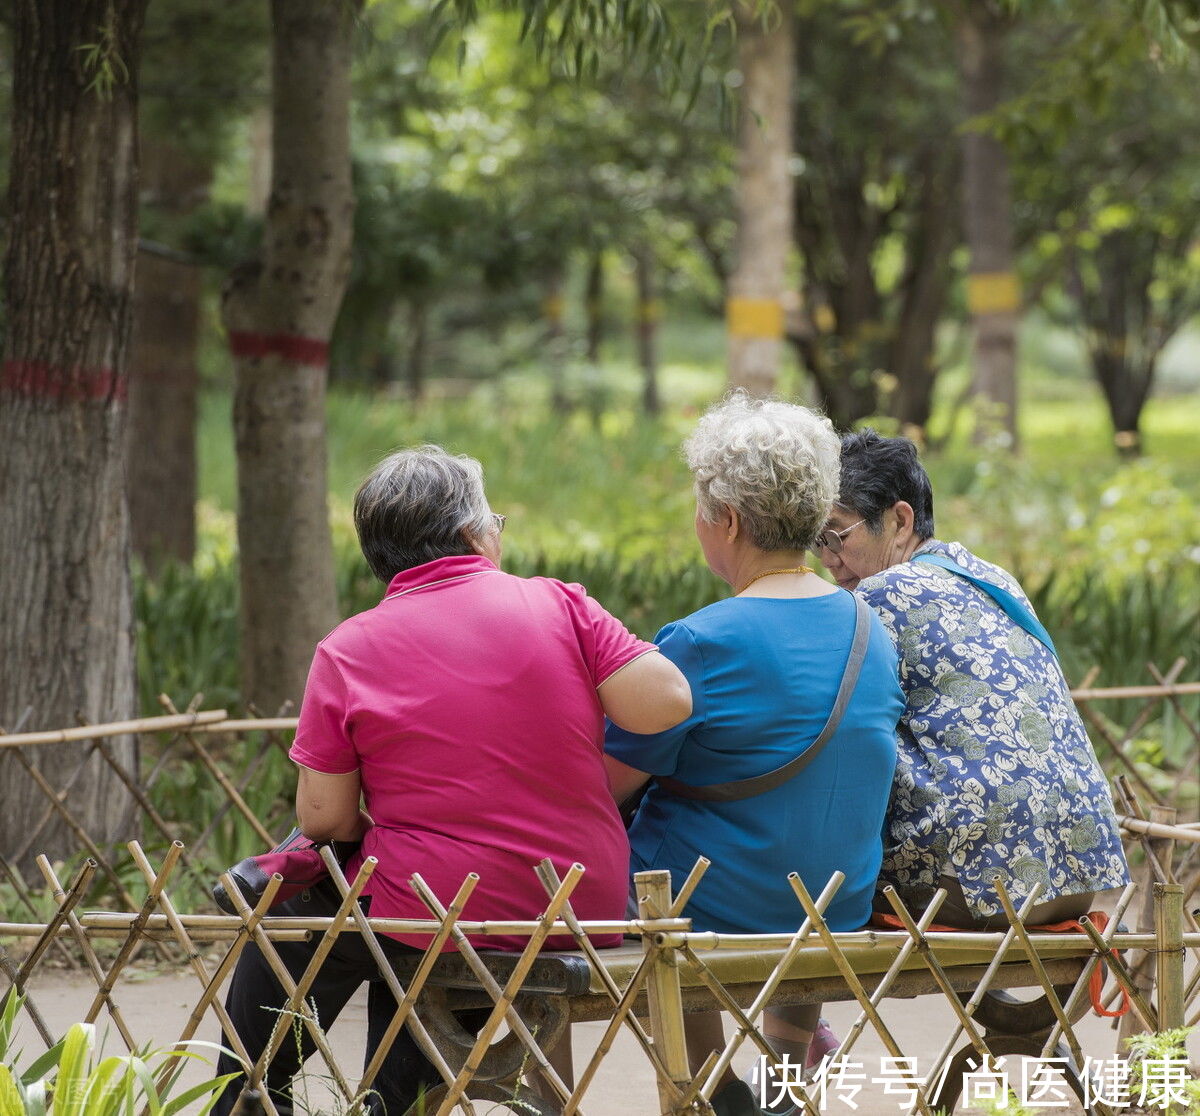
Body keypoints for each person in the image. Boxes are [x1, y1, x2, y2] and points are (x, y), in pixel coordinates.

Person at [213, 444, 692, 1116]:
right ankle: (397, 1098)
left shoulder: (349, 647)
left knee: (302, 913)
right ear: (472, 534)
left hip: (442, 906)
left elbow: (324, 820)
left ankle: (251, 1095)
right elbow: (667, 701)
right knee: (411, 924)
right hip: (581, 902)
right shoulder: (558, 605)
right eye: (494, 519)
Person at [604, 396, 905, 1116]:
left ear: (728, 520)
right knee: (801, 847)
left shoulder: (700, 642)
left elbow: (608, 784)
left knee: (646, 864)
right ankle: (785, 1072)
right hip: (835, 905)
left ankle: (709, 1080)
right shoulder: (873, 630)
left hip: (714, 911)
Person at [816, 429, 1130, 929]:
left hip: (978, 889)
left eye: (836, 535)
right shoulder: (991, 576)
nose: (827, 558)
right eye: (816, 541)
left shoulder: (876, 597)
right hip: (1078, 879)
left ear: (900, 520)